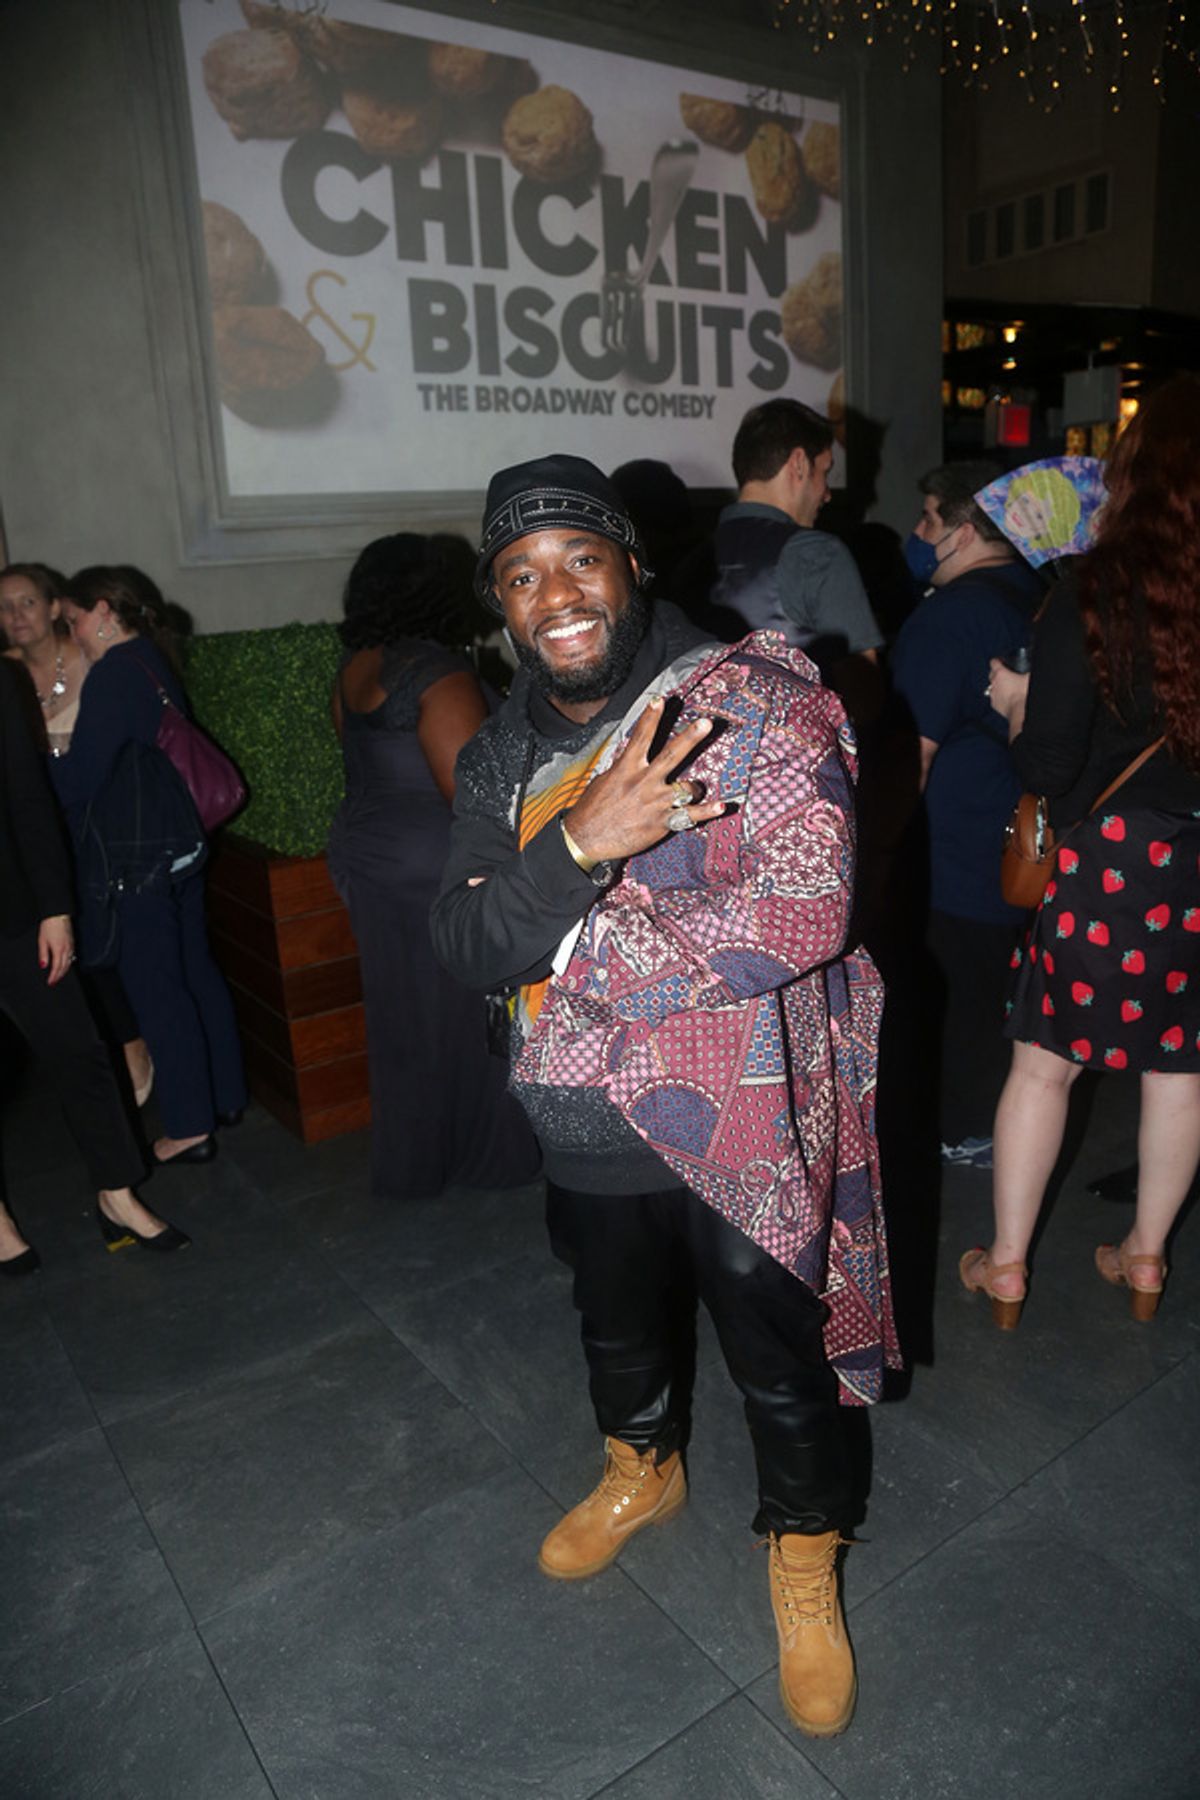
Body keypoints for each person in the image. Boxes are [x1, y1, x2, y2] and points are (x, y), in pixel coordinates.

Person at [431, 454, 898, 1739]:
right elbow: (463, 946)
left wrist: (565, 943)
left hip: (740, 1115)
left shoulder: (754, 696)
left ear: (634, 563)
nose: (556, 594)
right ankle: (642, 1469)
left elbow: (802, 910)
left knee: (778, 1358)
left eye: (581, 556)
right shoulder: (496, 757)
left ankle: (805, 1555)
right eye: (521, 576)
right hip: (576, 1119)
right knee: (615, 1322)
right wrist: (582, 844)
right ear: (502, 607)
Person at [962, 379, 1200, 1327]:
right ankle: (1146, 1261)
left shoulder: (1090, 590)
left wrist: (1020, 706)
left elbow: (1051, 764)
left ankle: (1009, 1267)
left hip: (1110, 864)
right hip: (1195, 868)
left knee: (1044, 1065)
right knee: (1181, 1068)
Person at [326, 534, 539, 1200]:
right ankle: (486, 1156)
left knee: (405, 1019)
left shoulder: (358, 664)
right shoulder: (438, 672)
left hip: (367, 857)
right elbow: (472, 796)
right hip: (430, 868)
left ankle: (417, 1160)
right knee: (462, 1017)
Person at [50, 566, 247, 1166]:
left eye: (75, 619)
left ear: (105, 610)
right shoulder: (150, 661)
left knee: (157, 987)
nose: (73, 632)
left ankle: (188, 1125)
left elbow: (83, 776)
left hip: (140, 858)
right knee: (194, 971)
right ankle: (225, 1097)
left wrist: (34, 775)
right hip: (178, 845)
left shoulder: (114, 674)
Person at [0, 660, 187, 1270]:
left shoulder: (1, 680)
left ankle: (117, 1191)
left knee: (78, 1050)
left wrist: (56, 908)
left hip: (15, 910)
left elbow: (28, 795)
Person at [889, 462, 1045, 1169]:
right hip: (1017, 846)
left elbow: (911, 757)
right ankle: (983, 1122)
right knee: (993, 996)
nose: (918, 534)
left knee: (949, 1001)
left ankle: (960, 1129)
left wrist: (880, 857)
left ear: (967, 528)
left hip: (947, 854)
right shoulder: (1039, 598)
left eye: (928, 517)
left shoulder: (946, 619)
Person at [1, 560, 155, 1109]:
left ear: (51, 607)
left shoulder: (92, 659)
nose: (15, 615)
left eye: (26, 601)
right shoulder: (4, 674)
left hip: (103, 830)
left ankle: (134, 1044)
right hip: (35, 837)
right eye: (4, 605)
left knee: (101, 944)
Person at [705, 399, 882, 678]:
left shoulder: (689, 562)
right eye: (825, 472)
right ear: (799, 463)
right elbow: (864, 691)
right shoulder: (817, 554)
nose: (827, 493)